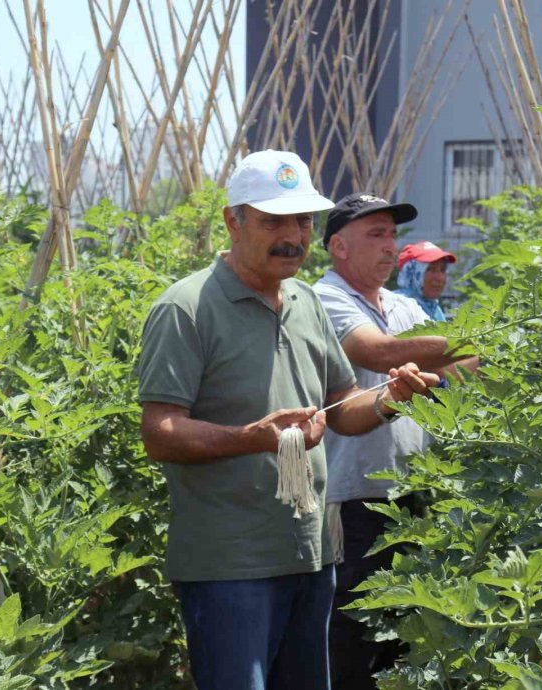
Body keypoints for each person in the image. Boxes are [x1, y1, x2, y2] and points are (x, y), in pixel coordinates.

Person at [137, 153, 440, 690]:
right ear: (233, 221)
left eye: (302, 221)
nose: (293, 236)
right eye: (273, 221)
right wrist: (251, 438)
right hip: (230, 563)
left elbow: (344, 404)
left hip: (311, 552)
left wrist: (388, 399)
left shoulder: (305, 301)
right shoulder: (186, 309)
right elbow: (160, 432)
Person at [313, 193, 477, 689]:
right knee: (353, 632)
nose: (390, 246)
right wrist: (482, 335)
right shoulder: (325, 299)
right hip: (352, 497)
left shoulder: (403, 307)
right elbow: (378, 350)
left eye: (392, 234)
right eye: (376, 235)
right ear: (339, 247)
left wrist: (482, 359)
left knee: (401, 634)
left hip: (409, 494)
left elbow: (458, 368)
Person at [394, 240, 457, 322]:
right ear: (412, 272)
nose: (440, 277)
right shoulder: (397, 306)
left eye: (443, 270)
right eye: (431, 269)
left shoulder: (434, 309)